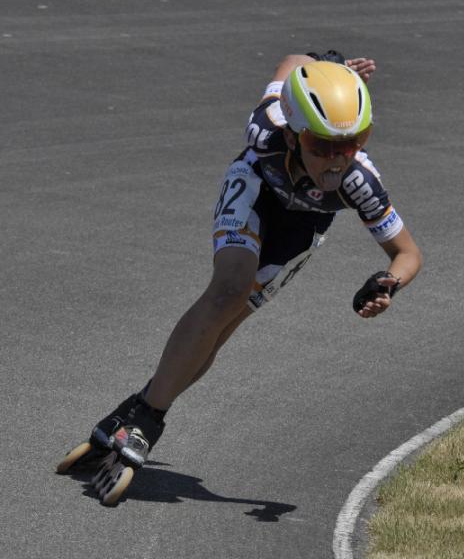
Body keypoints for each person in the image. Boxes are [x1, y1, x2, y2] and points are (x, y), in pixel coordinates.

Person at [59, 50, 423, 503]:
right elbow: (292, 61)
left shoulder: (359, 180)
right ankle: (148, 420)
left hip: (300, 229)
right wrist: (323, 67)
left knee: (223, 327)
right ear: (292, 135)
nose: (336, 159)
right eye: (321, 146)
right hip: (254, 189)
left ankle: (137, 409)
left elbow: (407, 253)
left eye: (351, 144)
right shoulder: (266, 128)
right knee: (228, 291)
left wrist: (388, 283)